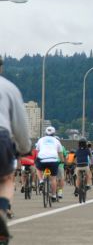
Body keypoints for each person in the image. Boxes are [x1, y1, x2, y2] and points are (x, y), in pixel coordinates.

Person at [0, 55, 31, 241]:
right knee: (6, 179)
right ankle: (2, 212)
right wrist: (24, 147)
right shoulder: (9, 88)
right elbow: (20, 127)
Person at [36, 126, 64, 202]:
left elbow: (37, 151)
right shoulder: (57, 141)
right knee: (53, 179)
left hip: (42, 159)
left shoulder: (40, 140)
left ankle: (41, 180)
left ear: (45, 133)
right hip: (53, 160)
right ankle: (54, 195)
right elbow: (60, 153)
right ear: (54, 133)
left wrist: (37, 159)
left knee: (38, 168)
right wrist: (62, 161)